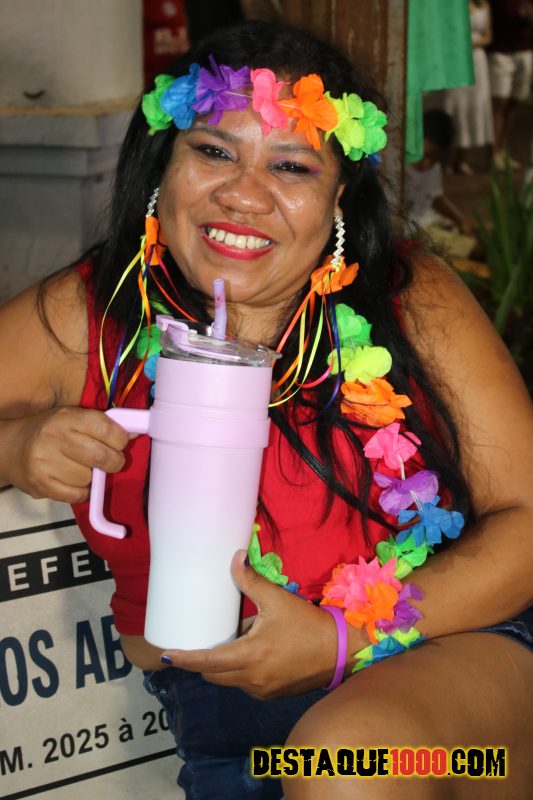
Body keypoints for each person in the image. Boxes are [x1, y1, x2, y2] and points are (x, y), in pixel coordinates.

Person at [0, 20, 532, 800]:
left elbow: (526, 519)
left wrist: (343, 638)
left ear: (337, 197)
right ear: (162, 165)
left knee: (345, 761)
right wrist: (15, 445)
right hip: (229, 733)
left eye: (290, 166)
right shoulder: (90, 316)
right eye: (213, 152)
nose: (243, 195)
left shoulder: (407, 298)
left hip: (449, 698)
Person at [405, 109, 480, 260]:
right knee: (476, 250)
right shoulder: (397, 165)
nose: (428, 164)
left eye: (435, 159)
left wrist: (460, 219)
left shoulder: (434, 167)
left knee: (480, 235)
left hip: (431, 222)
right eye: (425, 155)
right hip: (412, 230)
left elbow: (435, 197)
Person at [444, 0, 494, 174]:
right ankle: (446, 158)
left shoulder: (484, 6)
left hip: (477, 59)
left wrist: (473, 43)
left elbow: (488, 35)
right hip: (457, 58)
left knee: (473, 106)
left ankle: (462, 158)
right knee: (454, 105)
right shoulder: (454, 5)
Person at [489, 0, 533, 169]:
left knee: (514, 102)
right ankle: (493, 151)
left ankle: (503, 149)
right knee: (500, 102)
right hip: (501, 51)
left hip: (524, 50)